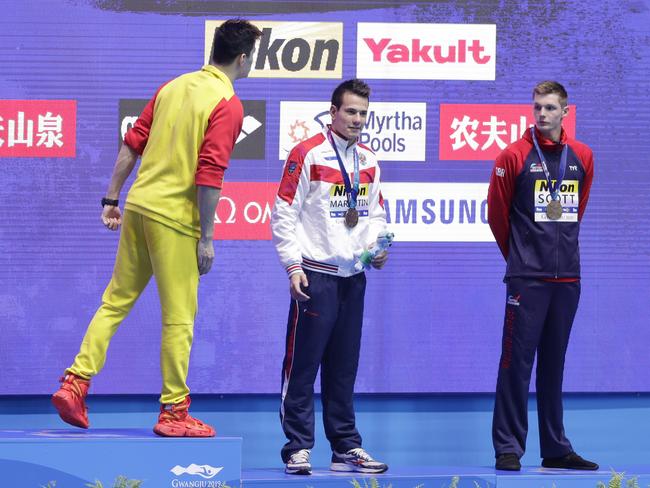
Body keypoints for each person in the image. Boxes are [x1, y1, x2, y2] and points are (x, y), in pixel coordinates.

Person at [51, 19, 262, 437]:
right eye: (252, 57)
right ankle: (173, 413)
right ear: (243, 58)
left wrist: (112, 198)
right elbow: (209, 175)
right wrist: (206, 237)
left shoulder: (173, 86)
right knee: (180, 319)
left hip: (138, 207)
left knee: (115, 303)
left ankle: (75, 383)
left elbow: (133, 143)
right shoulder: (228, 102)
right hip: (175, 221)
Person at [270, 79, 389, 475]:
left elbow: (374, 214)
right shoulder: (307, 154)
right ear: (333, 111)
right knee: (302, 366)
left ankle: (345, 448)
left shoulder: (369, 160)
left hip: (353, 278)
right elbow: (284, 213)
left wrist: (377, 248)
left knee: (343, 368)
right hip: (315, 277)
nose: (357, 120)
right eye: (351, 111)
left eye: (363, 113)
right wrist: (293, 266)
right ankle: (297, 448)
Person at [487, 81, 598, 471]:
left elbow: (575, 212)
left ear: (565, 112)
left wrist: (557, 254)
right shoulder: (512, 156)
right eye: (537, 108)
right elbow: (497, 216)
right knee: (515, 363)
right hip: (527, 280)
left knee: (555, 364)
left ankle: (555, 448)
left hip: (567, 280)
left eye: (550, 108)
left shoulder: (582, 155)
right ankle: (508, 447)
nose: (542, 114)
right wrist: (521, 259)